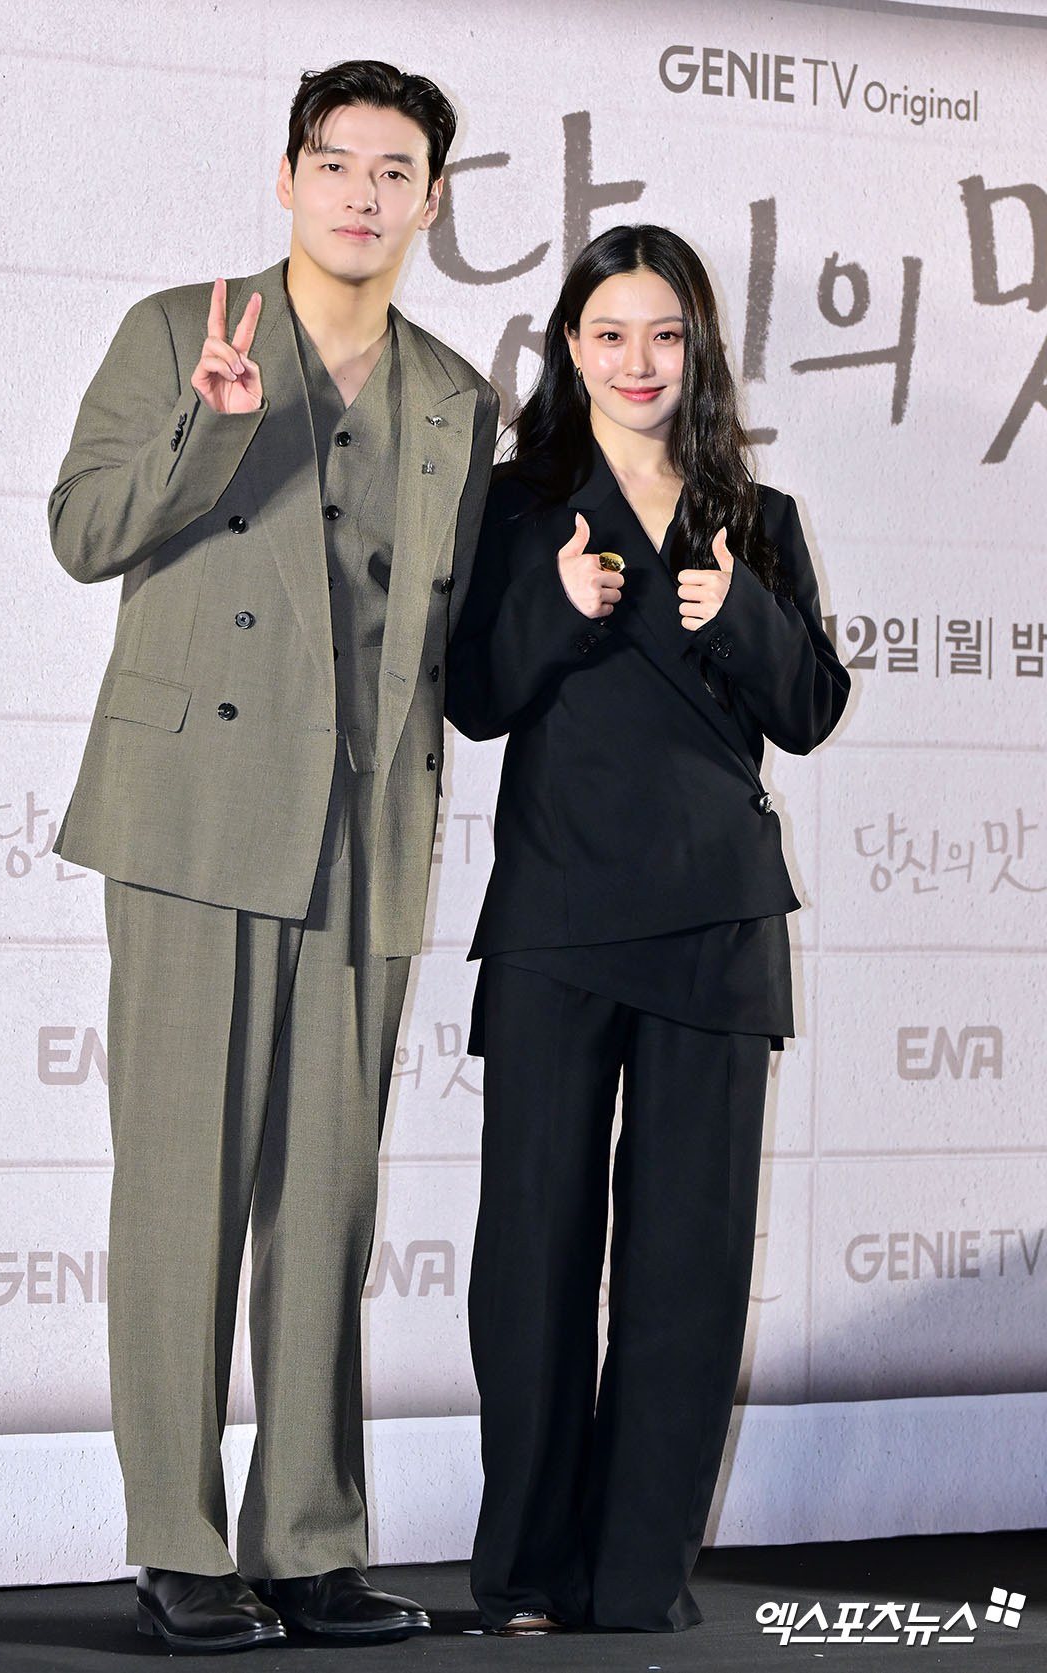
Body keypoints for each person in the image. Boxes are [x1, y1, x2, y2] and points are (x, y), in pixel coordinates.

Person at [48, 60, 499, 1653]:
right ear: (290, 177)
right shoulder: (181, 329)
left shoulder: (457, 394)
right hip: (194, 814)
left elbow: (451, 631)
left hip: (362, 827)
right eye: (338, 163)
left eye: (396, 171)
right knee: (181, 1190)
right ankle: (177, 1538)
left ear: (432, 200)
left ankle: (307, 1540)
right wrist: (207, 426)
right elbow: (82, 531)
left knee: (328, 1206)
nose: (364, 194)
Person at [445, 224, 849, 1635]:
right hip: (557, 917)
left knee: (687, 1268)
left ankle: (638, 1579)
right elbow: (474, 699)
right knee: (534, 1259)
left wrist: (739, 613)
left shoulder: (757, 513)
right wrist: (555, 610)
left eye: (665, 336)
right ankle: (527, 1574)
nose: (639, 362)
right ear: (571, 348)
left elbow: (810, 708)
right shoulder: (517, 506)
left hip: (718, 923)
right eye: (610, 334)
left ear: (699, 350)